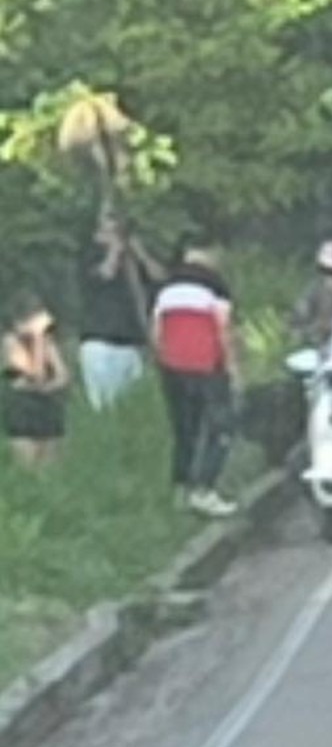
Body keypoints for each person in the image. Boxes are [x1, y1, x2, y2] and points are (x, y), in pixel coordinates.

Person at [152, 234, 242, 519]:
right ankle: (204, 489)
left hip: (172, 368)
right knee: (220, 427)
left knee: (185, 429)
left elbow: (156, 332)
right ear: (210, 251)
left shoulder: (166, 286)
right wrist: (234, 370)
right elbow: (223, 330)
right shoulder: (215, 286)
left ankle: (180, 488)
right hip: (207, 366)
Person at [79, 206, 165, 411]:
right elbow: (104, 275)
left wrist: (140, 253)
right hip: (101, 342)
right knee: (104, 406)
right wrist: (114, 250)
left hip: (132, 343)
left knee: (128, 407)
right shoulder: (90, 255)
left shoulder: (133, 263)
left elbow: (160, 277)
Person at [1, 292, 70, 467]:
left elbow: (63, 375)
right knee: (27, 464)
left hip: (48, 408)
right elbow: (30, 376)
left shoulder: (48, 343)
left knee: (51, 464)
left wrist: (50, 385)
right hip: (23, 410)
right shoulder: (11, 342)